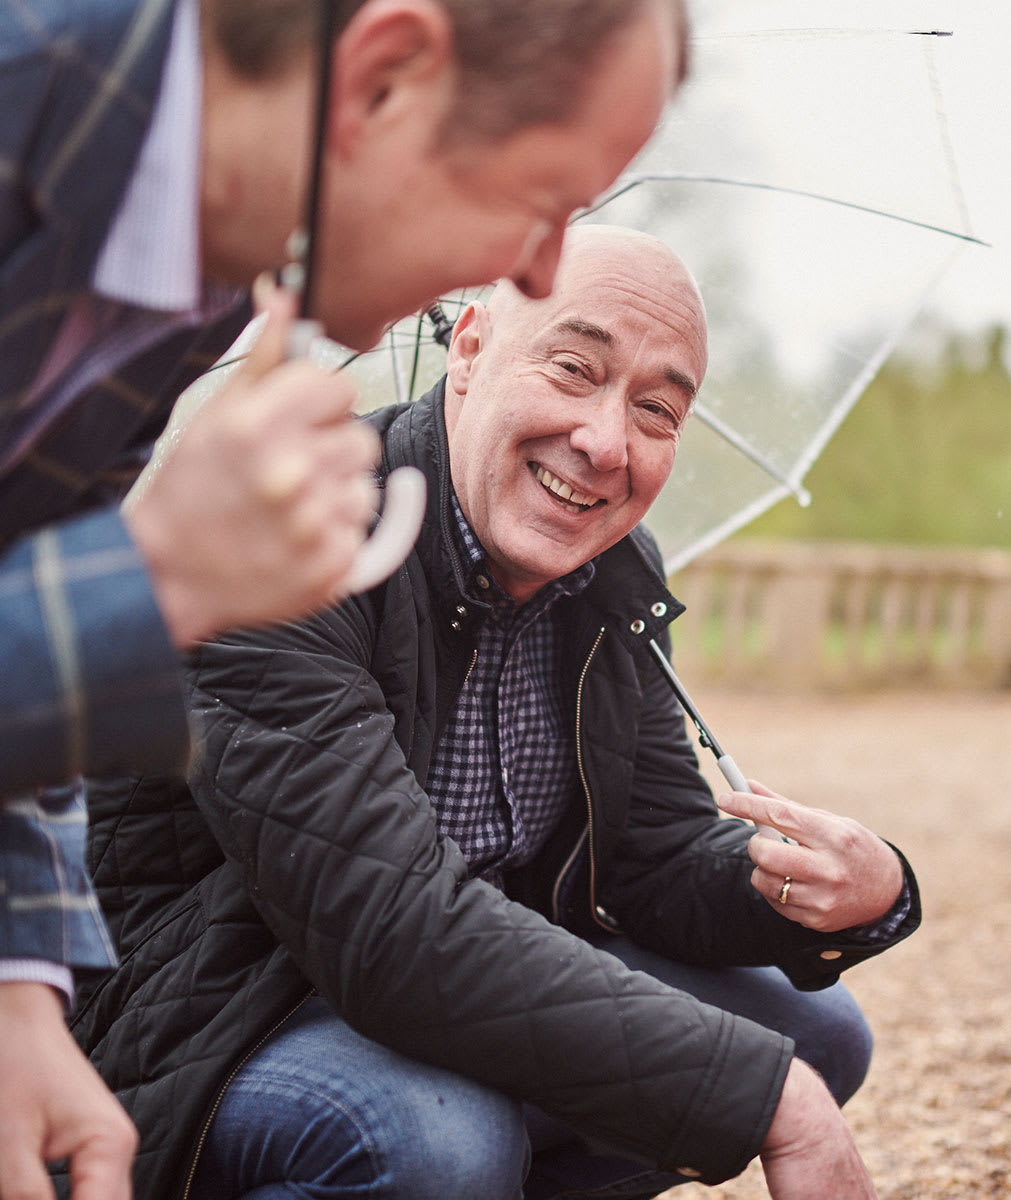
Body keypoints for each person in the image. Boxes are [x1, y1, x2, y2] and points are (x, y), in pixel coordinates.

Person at [71, 225, 921, 1200]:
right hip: (224, 1005)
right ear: (469, 349)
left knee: (816, 1034)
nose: (605, 443)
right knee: (440, 1146)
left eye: (655, 408)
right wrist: (771, 1104)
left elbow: (649, 861)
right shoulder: (297, 545)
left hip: (458, 985)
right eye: (572, 368)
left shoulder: (611, 573)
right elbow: (393, 933)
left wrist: (833, 891)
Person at [0, 2, 689, 1198]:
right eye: (540, 199)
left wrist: (19, 979)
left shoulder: (209, 280)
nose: (532, 267)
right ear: (382, 77)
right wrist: (156, 579)